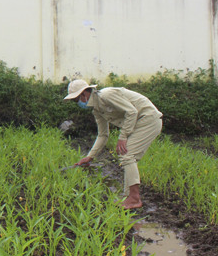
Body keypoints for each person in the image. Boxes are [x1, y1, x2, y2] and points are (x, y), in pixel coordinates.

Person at [64, 79, 163, 209]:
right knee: (128, 156)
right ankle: (129, 197)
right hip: (139, 122)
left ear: (83, 94)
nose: (77, 103)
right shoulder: (97, 110)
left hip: (148, 119)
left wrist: (123, 137)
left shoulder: (106, 95)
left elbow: (132, 111)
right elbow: (103, 135)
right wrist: (90, 157)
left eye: (76, 100)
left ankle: (134, 198)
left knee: (127, 155)